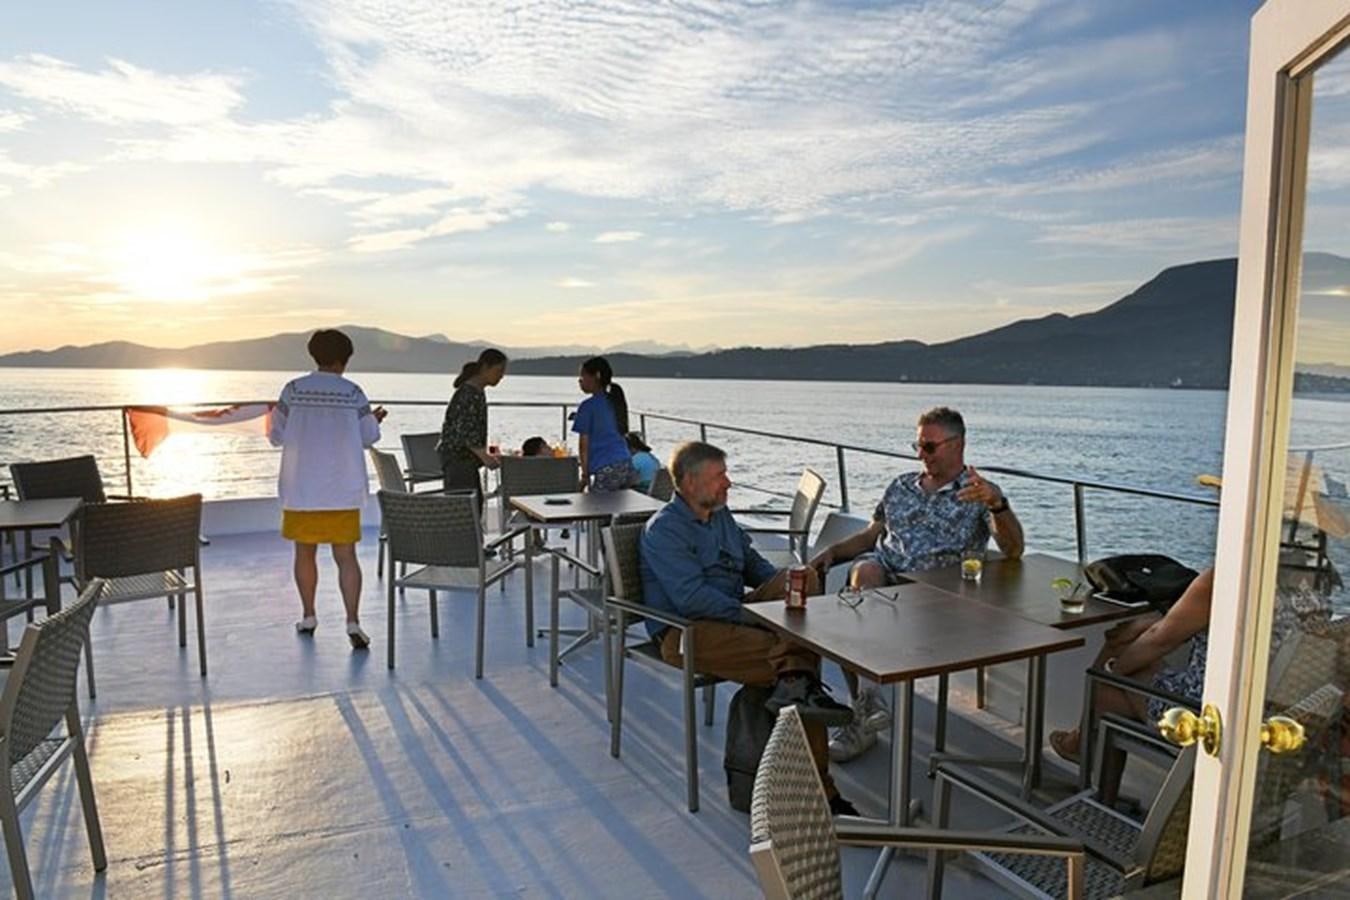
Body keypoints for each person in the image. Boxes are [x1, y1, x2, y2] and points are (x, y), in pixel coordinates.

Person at [640, 441, 858, 815]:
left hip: (734, 612)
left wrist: (786, 585)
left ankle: (795, 685)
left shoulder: (720, 516)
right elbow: (691, 599)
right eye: (719, 477)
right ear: (690, 483)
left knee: (802, 580)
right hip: (684, 631)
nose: (729, 484)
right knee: (791, 659)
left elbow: (753, 565)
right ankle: (823, 793)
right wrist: (764, 618)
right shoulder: (665, 531)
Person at [809, 406, 1026, 760]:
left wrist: (998, 506)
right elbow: (870, 536)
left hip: (936, 598)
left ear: (959, 445)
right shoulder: (901, 486)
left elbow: (1014, 550)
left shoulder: (978, 494)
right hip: (882, 580)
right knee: (863, 577)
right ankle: (868, 704)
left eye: (930, 447)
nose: (921, 454)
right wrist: (831, 553)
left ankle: (863, 714)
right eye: (919, 446)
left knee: (857, 607)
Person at [268, 328, 386, 650]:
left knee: (304, 553)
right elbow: (367, 437)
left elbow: (276, 435)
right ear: (345, 359)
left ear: (314, 355)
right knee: (346, 557)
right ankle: (352, 621)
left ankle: (308, 616)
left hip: (302, 487)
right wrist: (373, 420)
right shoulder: (353, 393)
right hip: (341, 488)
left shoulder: (292, 390)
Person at [1048, 568, 1214, 765]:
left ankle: (1080, 744)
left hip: (1193, 719)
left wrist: (1112, 672)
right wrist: (1146, 624)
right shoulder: (1255, 590)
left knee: (1110, 673)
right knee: (1112, 690)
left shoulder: (1218, 580)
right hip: (1234, 716)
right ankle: (1085, 754)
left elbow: (1159, 640)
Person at [438, 349, 507, 503]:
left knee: (475, 503)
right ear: (485, 367)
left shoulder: (476, 391)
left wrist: (487, 454)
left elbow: (471, 429)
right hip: (458, 459)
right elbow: (465, 431)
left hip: (464, 459)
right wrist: (486, 457)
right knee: (466, 508)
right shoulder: (469, 394)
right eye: (499, 370)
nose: (502, 376)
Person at [572, 356, 638, 492]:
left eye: (583, 376)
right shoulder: (615, 401)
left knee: (596, 509)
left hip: (607, 468)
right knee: (617, 508)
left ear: (596, 375)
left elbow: (583, 446)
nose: (580, 381)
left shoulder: (587, 406)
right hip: (626, 463)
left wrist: (584, 476)